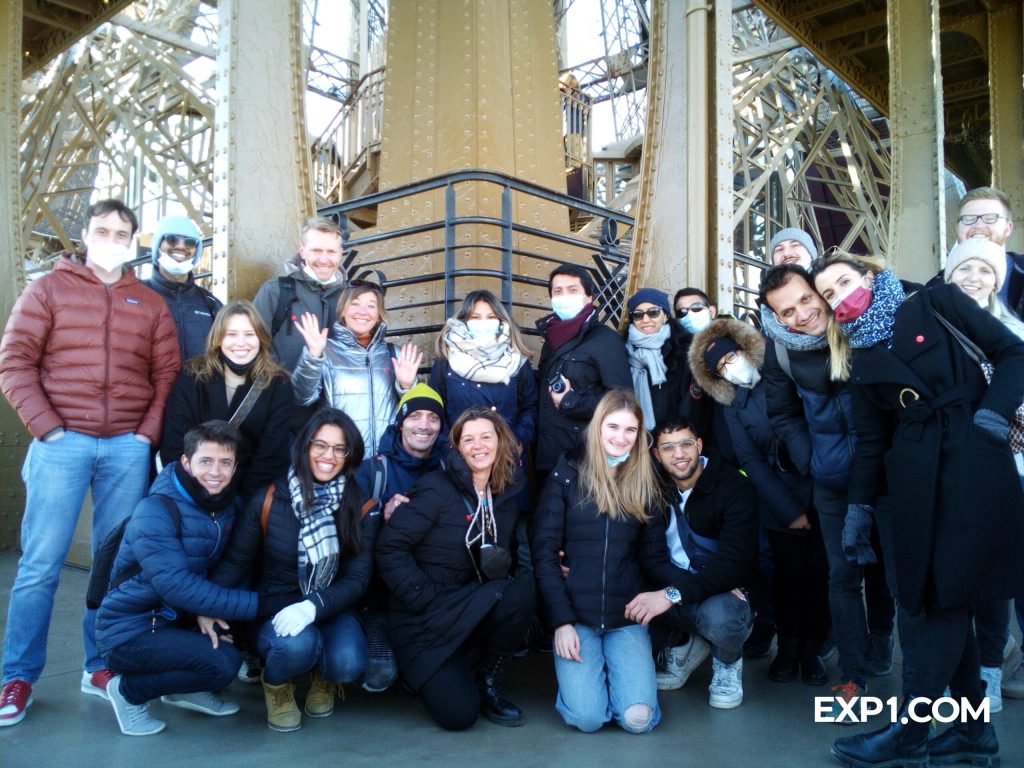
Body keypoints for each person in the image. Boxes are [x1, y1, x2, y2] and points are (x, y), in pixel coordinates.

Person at [810, 252, 1024, 768]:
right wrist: (859, 507)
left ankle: (910, 733)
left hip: (973, 462)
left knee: (945, 603)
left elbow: (1014, 352)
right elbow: (871, 441)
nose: (841, 297)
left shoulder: (935, 302)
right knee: (939, 599)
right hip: (914, 484)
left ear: (868, 274)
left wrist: (992, 417)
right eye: (830, 295)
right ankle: (973, 733)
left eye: (844, 282)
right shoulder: (858, 356)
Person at [0, 199, 180, 727]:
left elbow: (166, 374)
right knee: (40, 565)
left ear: (132, 241)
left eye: (122, 233)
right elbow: (15, 362)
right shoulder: (47, 290)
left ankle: (99, 665)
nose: (111, 240)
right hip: (62, 443)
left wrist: (145, 436)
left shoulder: (149, 303)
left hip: (126, 447)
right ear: (84, 235)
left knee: (114, 568)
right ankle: (17, 677)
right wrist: (47, 428)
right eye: (103, 230)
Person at [758, 264, 894, 707]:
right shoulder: (781, 351)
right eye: (787, 311)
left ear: (820, 293)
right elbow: (782, 413)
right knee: (842, 576)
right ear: (776, 318)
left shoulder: (860, 326)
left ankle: (883, 640)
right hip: (832, 482)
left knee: (891, 571)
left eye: (806, 299)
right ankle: (853, 675)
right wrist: (813, 461)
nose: (801, 314)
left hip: (888, 474)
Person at [210, 408, 379, 732]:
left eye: (339, 449)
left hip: (331, 605)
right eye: (320, 445)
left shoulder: (360, 504)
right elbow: (236, 562)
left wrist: (312, 606)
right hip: (275, 605)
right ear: (304, 446)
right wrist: (204, 606)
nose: (328, 456)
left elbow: (358, 579)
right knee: (297, 646)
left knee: (348, 662)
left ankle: (325, 678)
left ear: (350, 455)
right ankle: (277, 685)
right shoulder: (270, 498)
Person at [94, 421, 259, 736]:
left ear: (235, 466)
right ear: (186, 462)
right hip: (130, 631)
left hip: (175, 618)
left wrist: (204, 611)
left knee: (230, 638)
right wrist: (261, 605)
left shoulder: (225, 505)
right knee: (223, 663)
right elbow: (175, 585)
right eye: (205, 461)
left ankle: (183, 689)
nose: (216, 472)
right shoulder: (156, 510)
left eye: (225, 462)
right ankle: (127, 691)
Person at [689, 318, 829, 686]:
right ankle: (788, 649)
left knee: (819, 576)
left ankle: (813, 650)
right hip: (778, 499)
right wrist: (789, 511)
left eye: (731, 357)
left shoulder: (784, 375)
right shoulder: (733, 404)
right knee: (786, 578)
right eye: (722, 367)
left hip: (820, 487)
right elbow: (750, 460)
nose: (731, 368)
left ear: (746, 350)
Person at [375, 407, 533, 731]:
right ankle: (433, 672)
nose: (478, 446)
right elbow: (390, 548)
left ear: (500, 442)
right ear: (457, 448)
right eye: (468, 439)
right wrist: (423, 597)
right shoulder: (436, 488)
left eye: (486, 437)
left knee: (517, 595)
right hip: (426, 614)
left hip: (468, 607)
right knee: (459, 715)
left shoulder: (504, 497)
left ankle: (489, 681)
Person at [532, 390, 675, 731]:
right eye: (613, 427)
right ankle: (588, 687)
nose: (620, 437)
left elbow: (654, 556)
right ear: (598, 427)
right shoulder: (568, 473)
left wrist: (687, 587)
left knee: (638, 720)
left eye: (630, 430)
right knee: (588, 718)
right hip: (576, 618)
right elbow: (544, 551)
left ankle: (620, 678)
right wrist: (560, 622)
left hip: (625, 618)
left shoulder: (646, 481)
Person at [641, 415, 759, 709]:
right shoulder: (652, 488)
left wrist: (674, 594)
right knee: (631, 596)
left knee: (721, 615)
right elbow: (651, 557)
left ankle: (728, 662)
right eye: (668, 448)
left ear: (700, 445)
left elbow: (734, 565)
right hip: (678, 583)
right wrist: (679, 590)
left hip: (722, 591)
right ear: (657, 455)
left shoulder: (734, 486)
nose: (679, 454)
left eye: (686, 444)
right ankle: (684, 643)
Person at [354, 382, 447, 693]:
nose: (424, 425)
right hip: (379, 588)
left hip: (431, 582)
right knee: (381, 671)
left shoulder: (449, 468)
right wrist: (382, 515)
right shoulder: (373, 471)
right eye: (415, 416)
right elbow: (348, 534)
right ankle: (375, 627)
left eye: (433, 418)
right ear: (401, 422)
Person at [160, 301, 292, 501]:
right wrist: (197, 492)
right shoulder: (192, 377)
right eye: (231, 334)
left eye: (249, 334)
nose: (241, 343)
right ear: (218, 338)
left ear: (261, 338)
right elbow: (175, 441)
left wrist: (239, 500)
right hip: (193, 490)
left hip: (248, 495)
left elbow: (272, 453)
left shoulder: (278, 384)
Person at [292, 280, 422, 455]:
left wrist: (407, 387)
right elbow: (302, 397)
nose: (363, 311)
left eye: (371, 306)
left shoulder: (396, 354)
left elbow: (416, 412)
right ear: (343, 310)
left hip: (387, 460)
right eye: (355, 303)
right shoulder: (324, 350)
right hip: (343, 457)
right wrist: (313, 357)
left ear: (379, 314)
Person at [535, 264, 632, 488]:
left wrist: (572, 402)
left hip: (584, 460)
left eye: (572, 290)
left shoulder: (605, 340)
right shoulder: (552, 338)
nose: (564, 296)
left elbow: (622, 400)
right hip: (547, 458)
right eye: (558, 291)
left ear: (589, 297)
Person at [429, 289, 537, 451]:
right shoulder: (447, 359)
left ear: (501, 321)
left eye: (491, 317)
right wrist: (448, 446)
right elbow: (434, 408)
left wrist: (519, 439)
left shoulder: (516, 359)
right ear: (464, 321)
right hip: (459, 454)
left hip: (505, 453)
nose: (483, 322)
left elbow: (530, 405)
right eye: (475, 317)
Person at [252, 216, 349, 371]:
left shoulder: (350, 297)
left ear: (340, 253)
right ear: (302, 251)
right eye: (316, 250)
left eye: (331, 251)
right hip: (283, 386)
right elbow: (251, 348)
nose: (324, 259)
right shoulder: (274, 291)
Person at [143, 213, 221, 362]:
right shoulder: (136, 295)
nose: (181, 246)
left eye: (190, 242)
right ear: (158, 245)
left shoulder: (210, 303)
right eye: (172, 239)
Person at [623, 288, 691, 430]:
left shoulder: (684, 350)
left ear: (665, 316)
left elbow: (690, 403)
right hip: (631, 433)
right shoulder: (621, 349)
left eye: (653, 312)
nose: (645, 320)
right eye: (638, 314)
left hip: (672, 434)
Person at [954, 187, 1022, 317]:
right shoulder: (935, 286)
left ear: (1007, 228)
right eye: (968, 219)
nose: (979, 226)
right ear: (957, 228)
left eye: (990, 218)